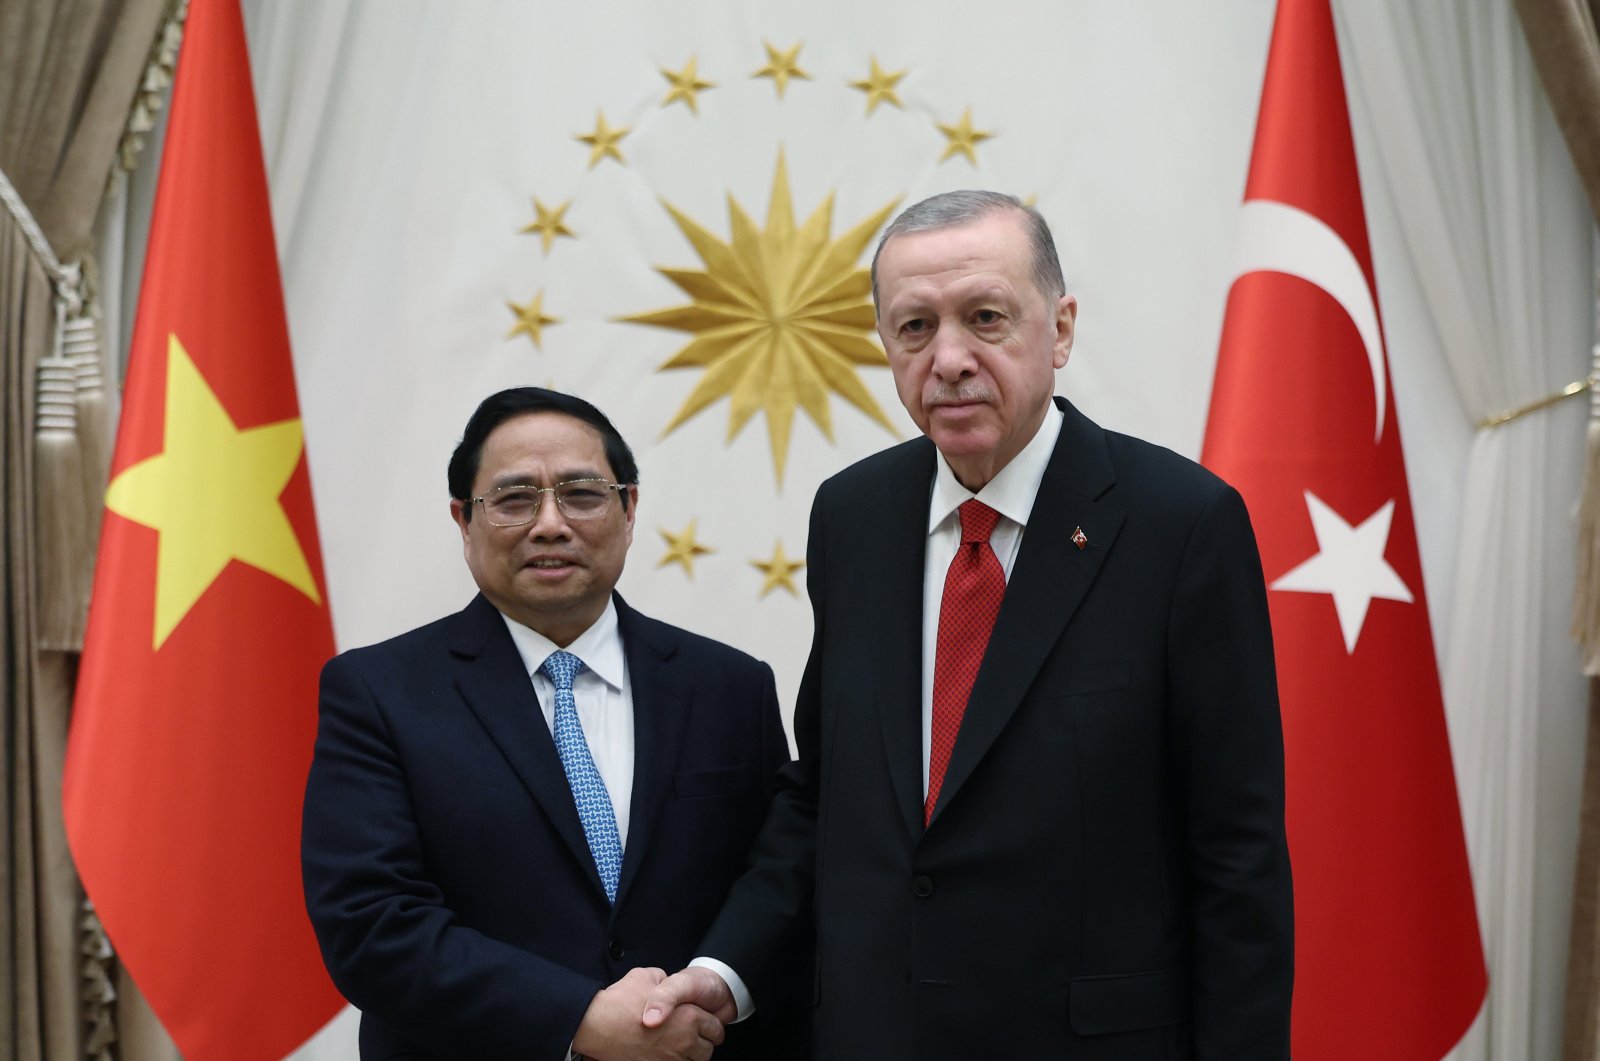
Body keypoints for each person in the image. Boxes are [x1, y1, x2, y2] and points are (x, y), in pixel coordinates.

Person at [643, 191, 1294, 1058]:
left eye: (985, 318)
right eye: (914, 329)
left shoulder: (1182, 523)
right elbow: (830, 790)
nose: (948, 359)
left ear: (1059, 329)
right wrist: (726, 969)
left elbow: (1237, 855)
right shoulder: (852, 515)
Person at [301, 388, 796, 1060]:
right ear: (463, 520)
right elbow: (372, 923)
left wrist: (717, 981)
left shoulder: (731, 687)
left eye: (582, 493)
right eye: (514, 499)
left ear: (629, 508)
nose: (551, 523)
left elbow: (778, 874)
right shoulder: (378, 693)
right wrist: (579, 1018)